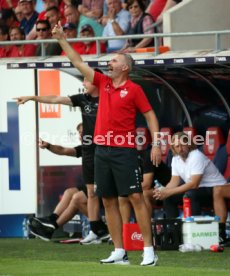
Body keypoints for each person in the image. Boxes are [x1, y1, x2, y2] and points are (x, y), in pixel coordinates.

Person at [49, 21, 161, 266]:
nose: (108, 63)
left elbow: (151, 115)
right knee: (108, 200)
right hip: (102, 151)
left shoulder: (134, 89)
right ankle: (119, 251)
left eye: (113, 61)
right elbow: (77, 62)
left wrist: (156, 143)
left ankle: (149, 251)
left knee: (135, 197)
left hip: (124, 151)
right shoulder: (103, 83)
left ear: (124, 67)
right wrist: (61, 39)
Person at [14, 68, 109, 245]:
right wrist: (32, 98)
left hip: (105, 150)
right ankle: (97, 230)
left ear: (96, 82)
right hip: (89, 153)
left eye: (86, 81)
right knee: (90, 193)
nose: (83, 84)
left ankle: (104, 230)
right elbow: (56, 99)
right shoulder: (82, 99)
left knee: (97, 193)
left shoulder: (108, 99)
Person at [153, 132, 228, 239]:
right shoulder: (176, 159)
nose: (180, 148)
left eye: (183, 145)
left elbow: (194, 184)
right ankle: (174, 234)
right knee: (169, 197)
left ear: (188, 144)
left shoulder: (196, 156)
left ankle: (195, 234)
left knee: (190, 194)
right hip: (198, 190)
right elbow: (174, 181)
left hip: (215, 190)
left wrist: (168, 191)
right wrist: (163, 190)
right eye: (177, 146)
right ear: (173, 148)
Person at [29, 123, 89, 241]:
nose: (80, 135)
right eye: (79, 133)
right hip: (92, 187)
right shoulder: (85, 149)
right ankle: (51, 222)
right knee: (69, 192)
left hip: (103, 187)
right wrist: (48, 146)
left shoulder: (99, 147)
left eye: (83, 132)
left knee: (77, 198)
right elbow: (63, 150)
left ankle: (100, 229)